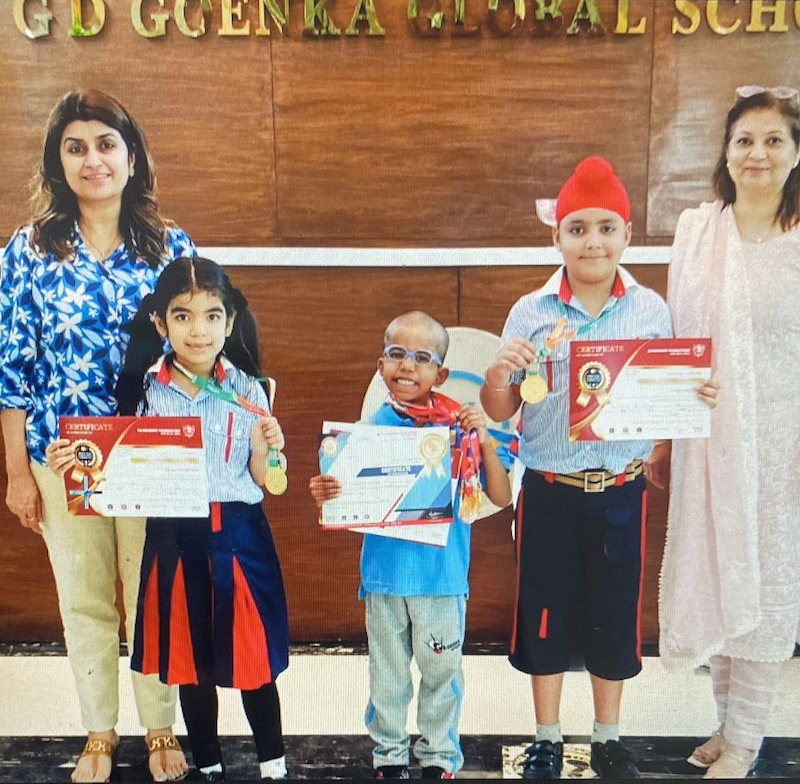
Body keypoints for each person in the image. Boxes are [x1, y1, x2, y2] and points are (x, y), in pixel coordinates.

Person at [480, 156, 715, 780]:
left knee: (615, 614)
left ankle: (608, 740)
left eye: (606, 227)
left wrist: (694, 397)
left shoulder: (652, 311)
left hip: (620, 491)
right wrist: (502, 372)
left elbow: (668, 395)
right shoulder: (530, 312)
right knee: (545, 613)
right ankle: (549, 739)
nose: (592, 241)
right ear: (556, 235)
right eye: (577, 228)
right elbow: (500, 407)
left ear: (627, 235)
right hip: (550, 492)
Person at [0, 89, 196, 783]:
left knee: (152, 595)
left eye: (107, 144)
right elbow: (11, 368)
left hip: (151, 456)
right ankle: (99, 734)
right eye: (76, 147)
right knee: (84, 598)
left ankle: (160, 731)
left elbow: (200, 352)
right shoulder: (28, 250)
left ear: (132, 154)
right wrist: (17, 473)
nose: (93, 160)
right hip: (64, 457)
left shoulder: (172, 246)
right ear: (58, 161)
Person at [48, 257, 290, 782]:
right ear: (160, 322)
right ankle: (209, 766)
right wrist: (74, 460)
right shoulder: (143, 390)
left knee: (253, 664)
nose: (197, 330)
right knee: (191, 665)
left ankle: (274, 766)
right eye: (181, 316)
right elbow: (112, 468)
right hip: (173, 540)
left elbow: (263, 478)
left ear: (229, 322)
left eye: (211, 316)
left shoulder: (250, 390)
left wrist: (269, 450)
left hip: (238, 537)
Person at [657, 85, 800, 779]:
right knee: (714, 571)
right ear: (725, 151)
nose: (757, 153)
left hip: (784, 444)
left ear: (796, 153)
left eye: (774, 140)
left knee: (769, 586)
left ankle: (746, 740)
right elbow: (674, 344)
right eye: (744, 139)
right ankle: (724, 724)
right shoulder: (698, 231)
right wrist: (666, 419)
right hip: (707, 437)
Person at [310, 311, 512, 780]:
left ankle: (439, 757)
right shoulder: (362, 434)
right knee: (388, 676)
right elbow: (338, 501)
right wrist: (325, 491)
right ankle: (389, 755)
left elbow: (499, 496)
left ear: (440, 374)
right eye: (397, 354)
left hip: (441, 580)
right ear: (381, 364)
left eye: (422, 358)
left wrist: (483, 441)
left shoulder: (457, 430)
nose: (407, 366)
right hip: (383, 580)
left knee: (442, 674)